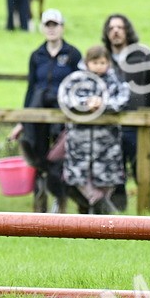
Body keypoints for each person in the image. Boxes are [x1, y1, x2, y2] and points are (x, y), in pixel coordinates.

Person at [9, 8, 81, 213]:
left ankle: (60, 200)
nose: (51, 29)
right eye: (47, 25)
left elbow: (79, 84)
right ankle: (39, 204)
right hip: (38, 113)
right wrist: (23, 119)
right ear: (42, 28)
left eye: (55, 25)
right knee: (38, 157)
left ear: (62, 27)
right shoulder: (36, 56)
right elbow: (31, 87)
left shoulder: (72, 54)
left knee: (58, 158)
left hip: (63, 113)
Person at [102, 14, 150, 211]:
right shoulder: (102, 58)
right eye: (112, 28)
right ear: (107, 33)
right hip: (111, 126)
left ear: (127, 31)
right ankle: (118, 218)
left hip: (140, 126)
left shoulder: (143, 55)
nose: (116, 31)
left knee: (143, 173)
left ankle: (148, 215)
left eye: (120, 27)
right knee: (114, 174)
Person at [59, 44, 131, 214]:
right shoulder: (76, 79)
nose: (99, 66)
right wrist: (86, 103)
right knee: (79, 178)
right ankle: (99, 207)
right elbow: (65, 97)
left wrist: (103, 104)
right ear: (87, 62)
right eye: (95, 62)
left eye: (102, 62)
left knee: (108, 179)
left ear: (108, 63)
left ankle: (100, 214)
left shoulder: (115, 80)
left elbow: (123, 98)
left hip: (107, 142)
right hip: (79, 141)